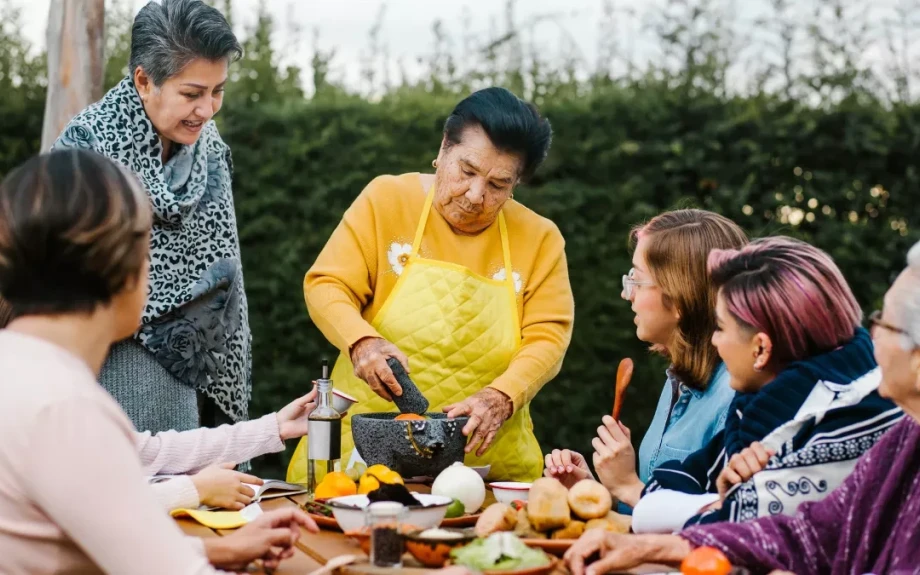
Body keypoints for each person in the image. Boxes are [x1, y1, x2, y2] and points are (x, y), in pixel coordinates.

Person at [0, 150, 317, 574]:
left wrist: (272, 428)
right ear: (119, 268)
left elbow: (145, 455)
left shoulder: (23, 370)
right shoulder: (65, 408)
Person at [563, 238, 920, 575]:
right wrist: (661, 542)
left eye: (884, 325)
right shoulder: (903, 432)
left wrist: (636, 497)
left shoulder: (855, 419)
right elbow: (810, 533)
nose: (872, 338)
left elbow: (755, 522)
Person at [288, 87, 572, 483]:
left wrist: (501, 397)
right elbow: (327, 284)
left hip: (482, 472)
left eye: (498, 185)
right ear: (444, 148)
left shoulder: (540, 238)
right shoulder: (387, 200)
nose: (475, 195)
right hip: (363, 462)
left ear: (516, 183)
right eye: (467, 171)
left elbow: (548, 336)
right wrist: (361, 342)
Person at [52, 0, 250, 433]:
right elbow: (59, 286)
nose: (208, 109)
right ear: (145, 81)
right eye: (192, 93)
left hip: (201, 379)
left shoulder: (210, 149)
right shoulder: (85, 150)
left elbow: (224, 270)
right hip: (109, 374)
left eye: (218, 90)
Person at [627, 236, 899, 531]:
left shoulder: (849, 421)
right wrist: (718, 501)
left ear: (760, 349)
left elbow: (738, 533)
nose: (714, 341)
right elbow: (665, 490)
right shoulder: (760, 408)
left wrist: (721, 503)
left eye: (719, 328)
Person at [545, 210, 746, 509]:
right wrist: (600, 492)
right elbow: (649, 511)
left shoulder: (735, 399)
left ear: (679, 297)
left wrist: (627, 485)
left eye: (636, 282)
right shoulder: (678, 381)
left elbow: (726, 523)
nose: (627, 295)